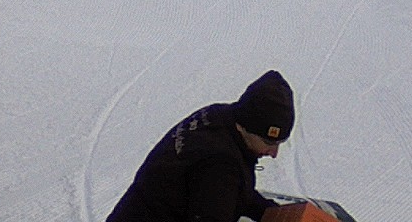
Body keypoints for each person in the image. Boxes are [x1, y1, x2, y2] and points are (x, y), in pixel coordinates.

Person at [104, 70, 295, 222]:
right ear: (247, 126)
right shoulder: (220, 165)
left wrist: (270, 213)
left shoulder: (218, 116)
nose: (274, 153)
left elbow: (230, 192)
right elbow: (218, 190)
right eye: (269, 142)